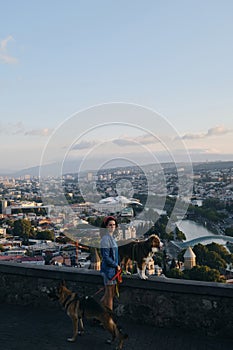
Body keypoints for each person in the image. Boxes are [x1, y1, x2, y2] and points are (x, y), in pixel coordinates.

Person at [100, 216, 121, 311]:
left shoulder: (112, 238)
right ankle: (109, 318)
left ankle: (98, 313)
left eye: (114, 225)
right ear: (106, 227)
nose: (112, 227)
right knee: (109, 296)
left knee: (110, 294)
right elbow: (106, 257)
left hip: (112, 270)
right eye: (110, 225)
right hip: (108, 271)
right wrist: (116, 265)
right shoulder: (105, 239)